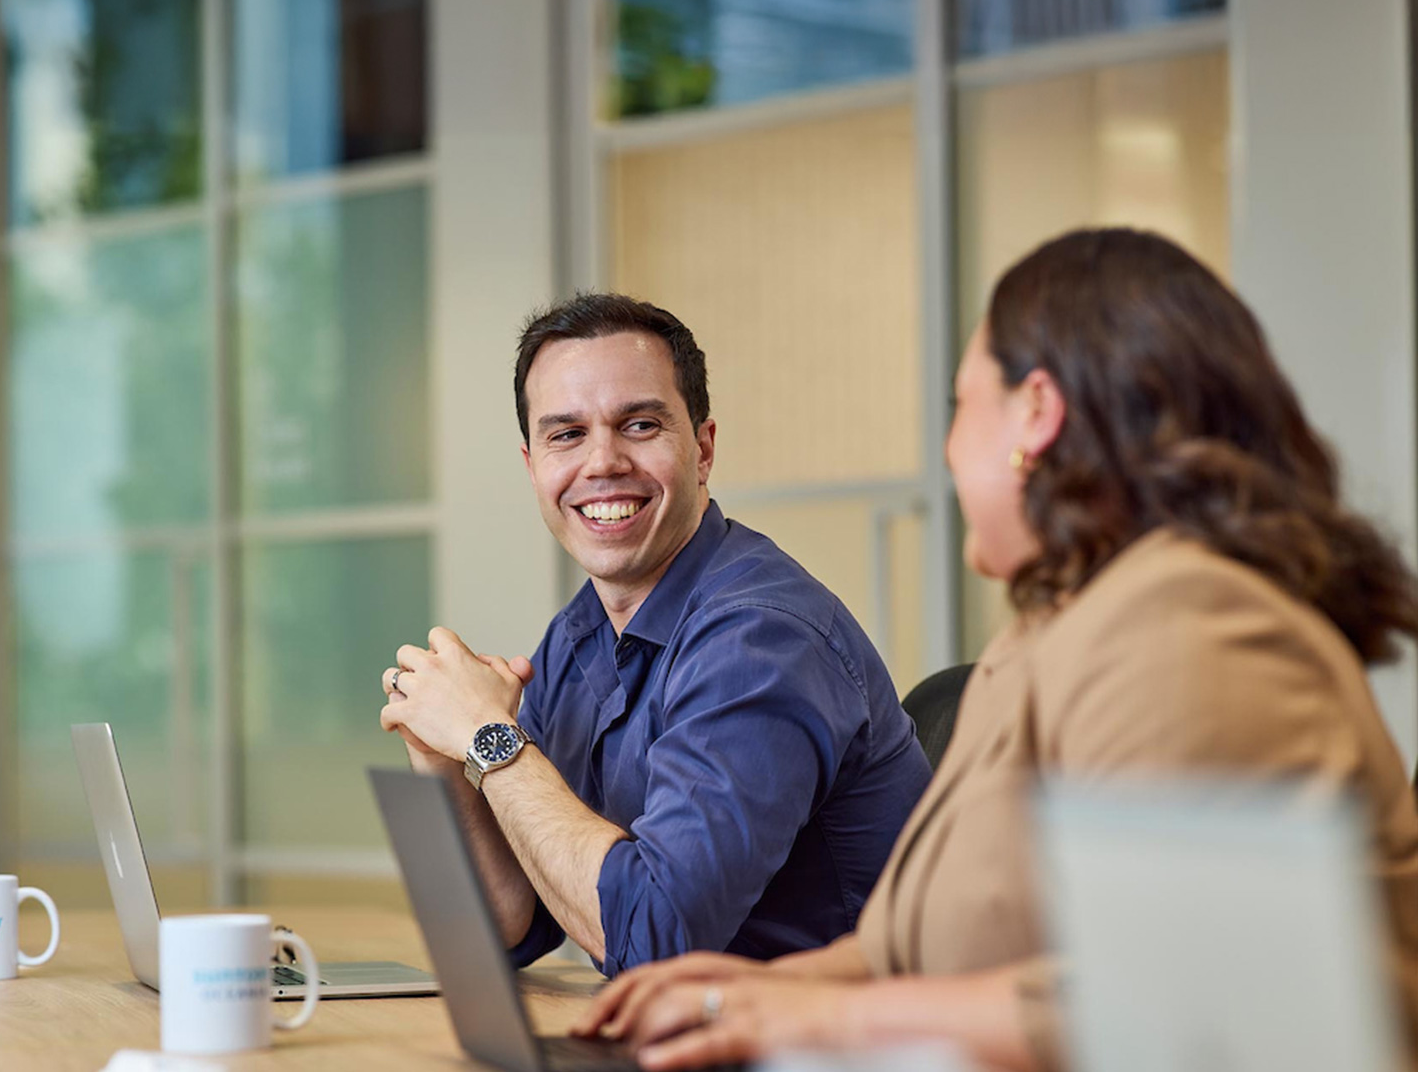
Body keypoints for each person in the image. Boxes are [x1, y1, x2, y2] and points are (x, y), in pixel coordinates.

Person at [573, 228, 1418, 1071]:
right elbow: (902, 949)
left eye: (960, 406)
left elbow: (1172, 1009)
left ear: (1037, 414)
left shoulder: (1192, 625)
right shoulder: (1051, 632)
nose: (948, 450)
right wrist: (747, 992)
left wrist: (811, 1021)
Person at [377, 293, 933, 975]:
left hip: (834, 1044)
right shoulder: (580, 636)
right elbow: (509, 927)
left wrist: (490, 738)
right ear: (532, 467)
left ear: (701, 449)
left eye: (639, 424)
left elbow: (653, 940)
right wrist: (443, 754)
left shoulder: (759, 640)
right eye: (566, 434)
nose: (602, 461)